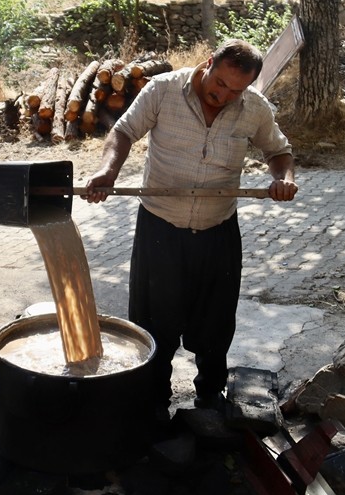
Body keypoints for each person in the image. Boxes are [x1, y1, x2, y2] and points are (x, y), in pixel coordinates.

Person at [83, 38, 297, 426]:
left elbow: (279, 152)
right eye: (221, 83)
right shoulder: (164, 90)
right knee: (154, 323)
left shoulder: (254, 109)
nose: (225, 95)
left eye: (237, 90)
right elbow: (124, 132)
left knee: (215, 323)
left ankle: (211, 396)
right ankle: (151, 400)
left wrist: (283, 178)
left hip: (218, 231)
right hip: (160, 227)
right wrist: (108, 172)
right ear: (209, 62)